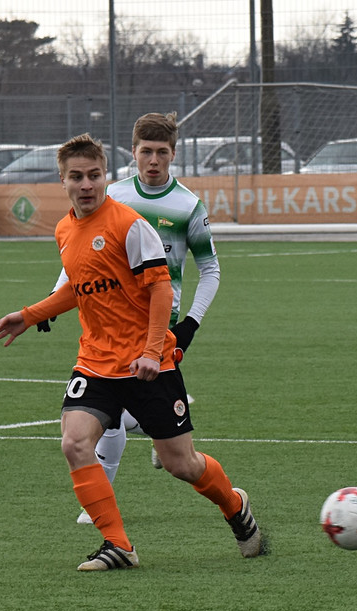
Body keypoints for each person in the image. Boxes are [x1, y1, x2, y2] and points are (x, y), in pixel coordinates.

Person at [0, 133, 264, 571]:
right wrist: (29, 314)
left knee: (182, 465)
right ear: (62, 181)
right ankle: (119, 546)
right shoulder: (64, 229)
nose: (86, 185)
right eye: (76, 177)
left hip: (147, 364)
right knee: (75, 442)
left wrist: (154, 352)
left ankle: (234, 505)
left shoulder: (129, 225)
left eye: (94, 176)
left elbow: (159, 292)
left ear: (105, 178)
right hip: (95, 362)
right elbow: (78, 290)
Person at [49, 112, 223, 525]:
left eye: (162, 152)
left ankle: (155, 432)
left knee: (125, 409)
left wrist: (191, 324)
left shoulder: (188, 205)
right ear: (133, 153)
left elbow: (210, 269)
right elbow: (79, 257)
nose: (153, 160)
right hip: (109, 320)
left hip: (163, 325)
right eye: (146, 151)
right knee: (107, 405)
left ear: (173, 155)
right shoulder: (113, 196)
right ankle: (105, 494)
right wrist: (52, 299)